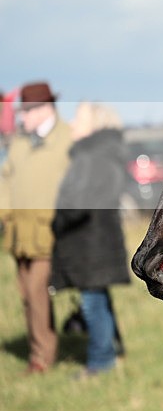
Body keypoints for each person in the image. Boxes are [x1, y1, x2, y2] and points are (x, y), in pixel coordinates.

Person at [49, 102, 130, 377]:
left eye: (78, 119)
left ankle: (101, 361)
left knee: (92, 303)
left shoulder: (92, 156)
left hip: (89, 243)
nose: (71, 123)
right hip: (95, 240)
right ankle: (113, 350)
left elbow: (79, 204)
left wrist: (55, 217)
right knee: (97, 299)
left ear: (94, 124)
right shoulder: (100, 153)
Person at [0, 82, 72, 374]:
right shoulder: (20, 141)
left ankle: (42, 357)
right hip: (19, 232)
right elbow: (6, 180)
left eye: (26, 112)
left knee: (37, 292)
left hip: (48, 232)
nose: (21, 118)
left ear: (44, 110)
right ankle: (39, 349)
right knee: (26, 294)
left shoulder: (67, 139)